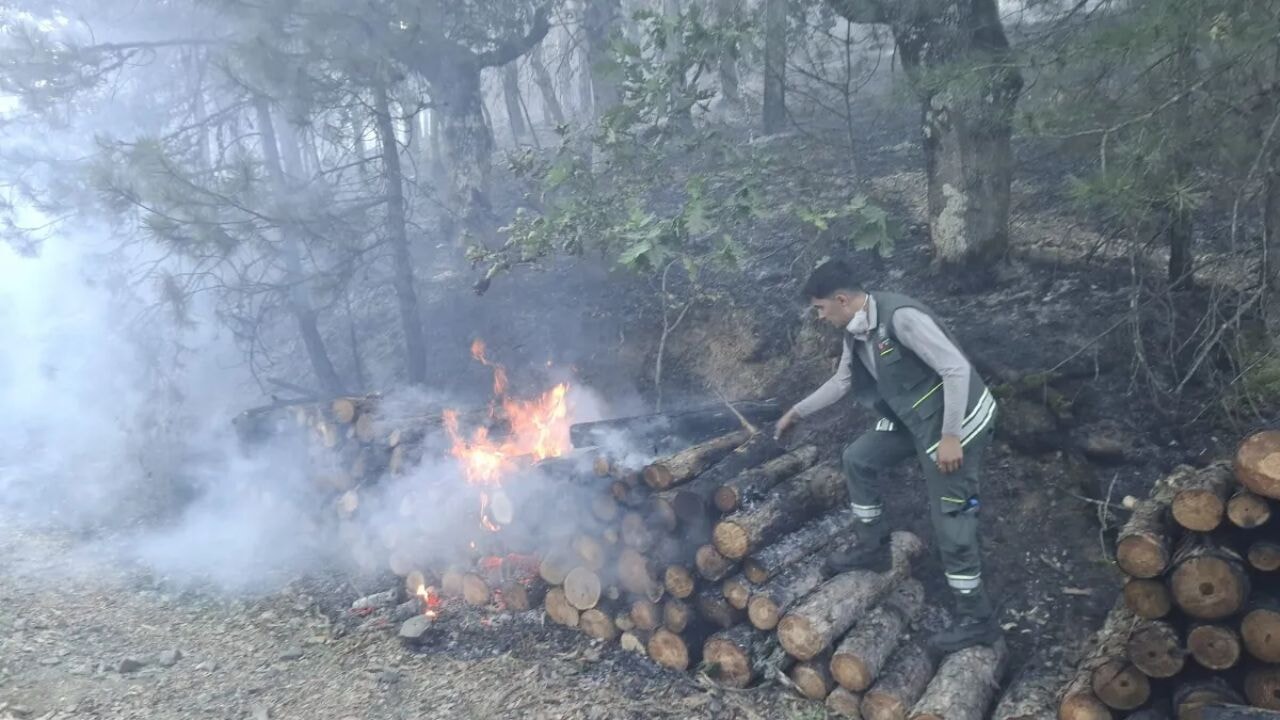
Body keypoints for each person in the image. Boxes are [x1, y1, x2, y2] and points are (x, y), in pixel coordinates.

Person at [774, 259, 1000, 654]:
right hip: (915, 419)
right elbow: (843, 381)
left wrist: (951, 437)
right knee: (859, 458)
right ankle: (873, 548)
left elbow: (956, 368)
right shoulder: (856, 330)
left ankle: (978, 620)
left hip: (958, 422)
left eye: (820, 308)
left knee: (951, 516)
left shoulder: (902, 318)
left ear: (841, 300)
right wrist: (797, 410)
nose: (820, 316)